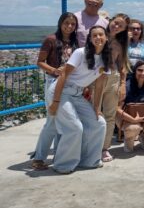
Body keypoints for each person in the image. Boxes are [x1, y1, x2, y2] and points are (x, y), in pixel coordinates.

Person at [40, 25, 110, 174]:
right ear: (90, 39)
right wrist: (56, 102)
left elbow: (99, 86)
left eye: (101, 35)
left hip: (77, 94)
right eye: (94, 35)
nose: (98, 38)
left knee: (99, 123)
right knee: (74, 127)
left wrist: (97, 109)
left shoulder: (106, 58)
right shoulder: (80, 53)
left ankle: (90, 160)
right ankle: (63, 165)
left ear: (106, 38)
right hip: (62, 91)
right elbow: (63, 76)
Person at [31, 12, 79, 170]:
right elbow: (40, 62)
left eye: (73, 24)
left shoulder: (74, 41)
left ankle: (58, 154)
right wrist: (55, 70)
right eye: (67, 23)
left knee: (62, 121)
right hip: (53, 82)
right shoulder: (51, 40)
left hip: (69, 84)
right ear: (60, 23)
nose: (69, 26)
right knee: (52, 120)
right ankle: (39, 157)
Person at [99, 13, 131, 163]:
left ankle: (104, 148)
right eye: (115, 23)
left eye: (121, 26)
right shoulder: (98, 35)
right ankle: (91, 145)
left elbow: (122, 65)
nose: (116, 26)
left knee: (110, 115)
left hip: (112, 77)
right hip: (95, 77)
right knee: (92, 112)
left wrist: (123, 85)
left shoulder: (119, 44)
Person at [116, 61, 144, 152]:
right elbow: (117, 109)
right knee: (134, 128)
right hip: (125, 116)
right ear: (134, 71)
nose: (143, 73)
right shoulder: (126, 86)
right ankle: (128, 142)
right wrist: (133, 120)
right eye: (140, 70)